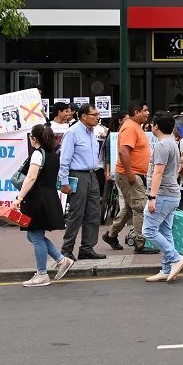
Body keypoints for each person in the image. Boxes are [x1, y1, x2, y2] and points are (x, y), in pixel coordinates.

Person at [12, 123, 74, 287]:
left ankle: (42, 274)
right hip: (47, 197)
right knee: (32, 235)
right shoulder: (52, 154)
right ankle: (62, 260)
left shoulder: (38, 154)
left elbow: (30, 178)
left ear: (34, 138)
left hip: (37, 199)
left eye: (31, 136)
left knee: (36, 236)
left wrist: (19, 198)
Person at [105, 101, 156, 254]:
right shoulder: (129, 127)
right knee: (140, 208)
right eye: (145, 110)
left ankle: (111, 235)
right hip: (130, 174)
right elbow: (123, 152)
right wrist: (130, 174)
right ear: (136, 112)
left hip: (133, 173)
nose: (147, 113)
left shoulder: (134, 127)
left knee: (128, 209)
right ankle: (140, 243)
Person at [142, 112, 183, 280]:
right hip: (172, 193)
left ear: (156, 126)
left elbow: (158, 172)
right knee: (165, 231)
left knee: (148, 230)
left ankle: (175, 258)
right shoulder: (172, 143)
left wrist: (152, 197)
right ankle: (167, 270)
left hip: (162, 194)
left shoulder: (162, 145)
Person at [60, 104, 109, 259]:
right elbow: (64, 159)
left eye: (97, 114)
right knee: (76, 213)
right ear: (84, 116)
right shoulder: (72, 132)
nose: (97, 117)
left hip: (92, 174)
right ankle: (66, 250)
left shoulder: (92, 132)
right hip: (77, 175)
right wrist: (64, 181)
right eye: (94, 114)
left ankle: (87, 248)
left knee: (94, 213)